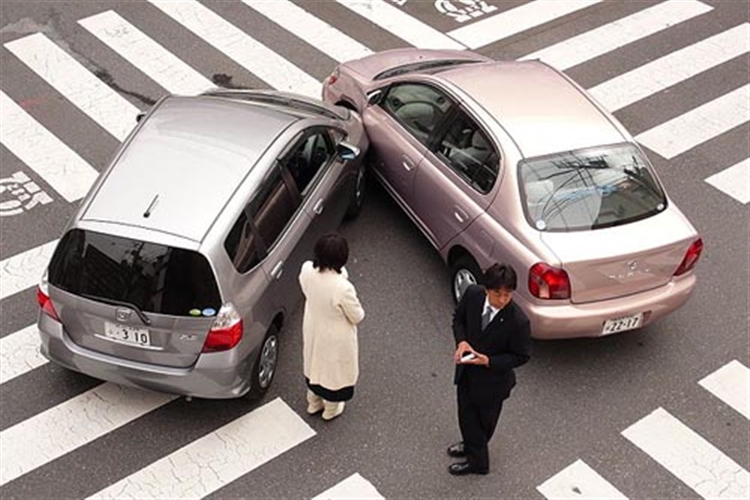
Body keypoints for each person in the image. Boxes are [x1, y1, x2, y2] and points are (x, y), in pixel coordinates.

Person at [447, 263, 531, 475]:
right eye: (497, 294)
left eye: (507, 294)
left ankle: (478, 463)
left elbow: (521, 356)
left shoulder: (518, 321)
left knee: (483, 424)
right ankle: (470, 445)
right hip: (467, 372)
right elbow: (458, 319)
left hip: (493, 383)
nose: (502, 300)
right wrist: (462, 342)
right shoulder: (473, 295)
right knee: (465, 415)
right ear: (486, 288)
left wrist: (489, 361)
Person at [299, 233, 365, 421]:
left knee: (313, 364)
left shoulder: (306, 271)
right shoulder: (343, 287)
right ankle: (330, 409)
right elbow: (357, 316)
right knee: (332, 372)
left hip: (313, 325)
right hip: (335, 336)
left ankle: (313, 402)